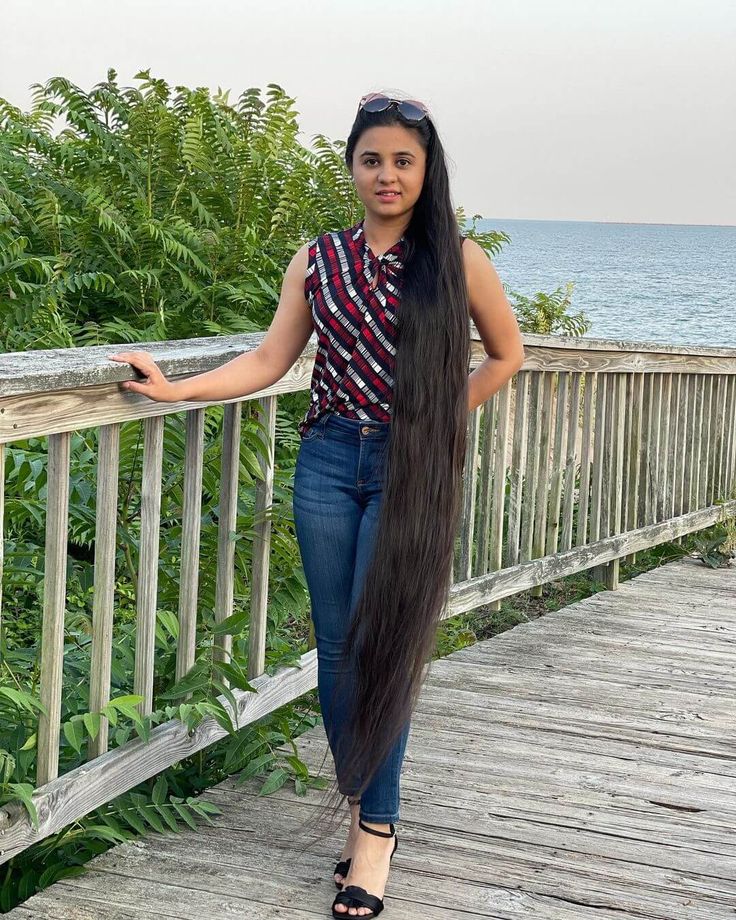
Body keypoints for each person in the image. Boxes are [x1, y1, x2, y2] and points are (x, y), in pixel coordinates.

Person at [109, 90, 524, 918]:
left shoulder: (458, 260)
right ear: (352, 168)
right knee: (336, 650)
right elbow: (269, 359)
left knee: (385, 646)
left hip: (411, 469)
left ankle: (375, 830)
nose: (387, 174)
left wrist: (435, 427)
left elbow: (507, 355)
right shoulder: (318, 260)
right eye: (372, 159)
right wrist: (176, 390)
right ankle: (360, 797)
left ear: (426, 169)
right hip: (328, 458)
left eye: (403, 160)